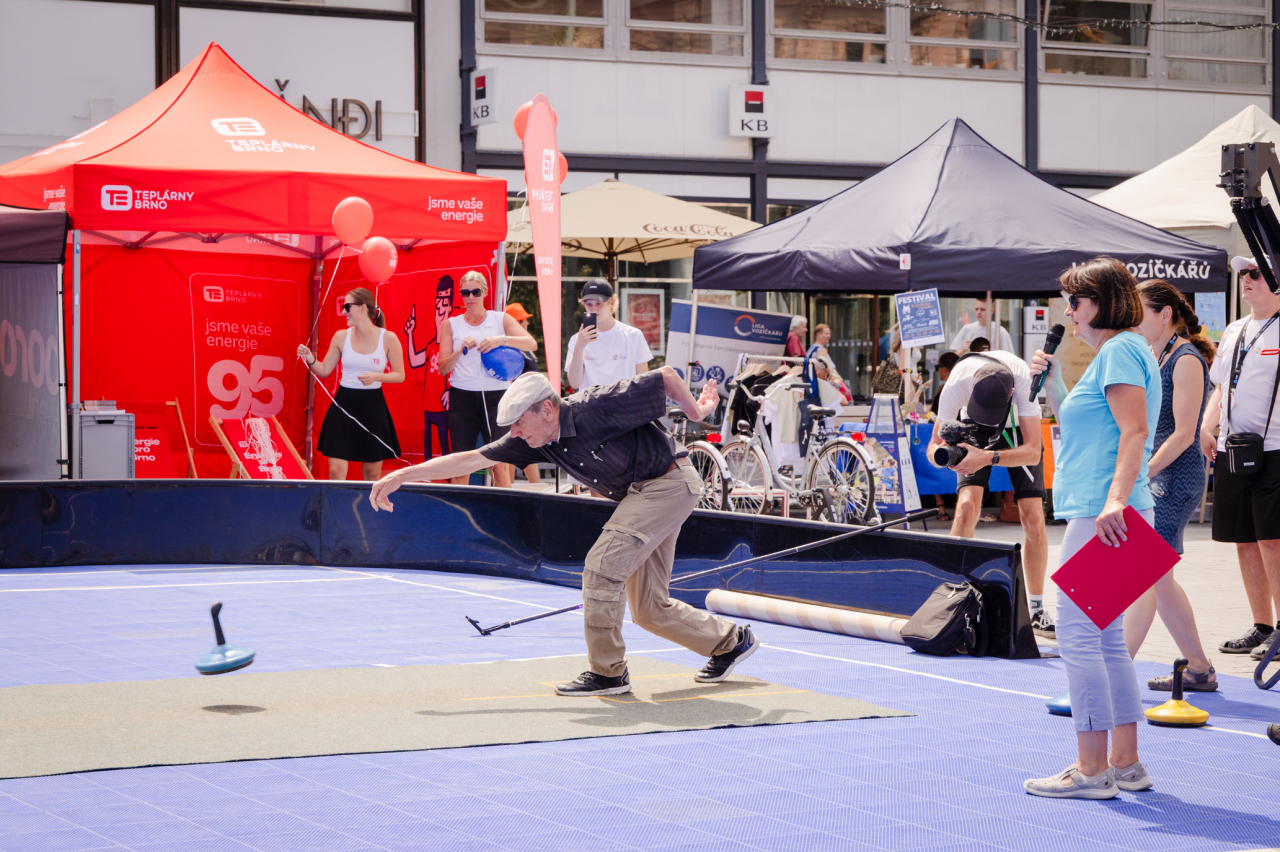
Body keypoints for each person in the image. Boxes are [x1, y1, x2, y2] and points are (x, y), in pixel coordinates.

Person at [369, 369, 759, 696]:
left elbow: (668, 377)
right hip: (642, 495)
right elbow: (472, 458)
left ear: (547, 408)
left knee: (601, 567)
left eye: (520, 422)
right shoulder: (534, 440)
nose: (515, 432)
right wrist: (403, 475)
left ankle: (608, 673)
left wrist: (699, 411)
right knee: (648, 608)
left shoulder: (597, 405)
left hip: (669, 483)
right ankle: (730, 641)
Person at [1026, 256, 1160, 799]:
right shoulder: (1119, 352)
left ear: (1100, 303)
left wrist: (1115, 501)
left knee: (1080, 637)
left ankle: (1090, 769)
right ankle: (1124, 764)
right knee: (1103, 640)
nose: (1068, 312)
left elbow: (1135, 431)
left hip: (1108, 512)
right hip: (1115, 510)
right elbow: (1090, 427)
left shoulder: (1121, 350)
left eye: (1075, 302)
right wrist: (1055, 383)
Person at [1124, 279, 1216, 691]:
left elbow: (1183, 434)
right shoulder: (1156, 355)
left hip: (1173, 478)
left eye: (1138, 310)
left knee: (1142, 574)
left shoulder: (1185, 359)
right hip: (1158, 475)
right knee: (1157, 579)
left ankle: (1113, 671)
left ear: (1164, 314)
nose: (1131, 319)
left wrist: (1140, 472)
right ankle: (1198, 667)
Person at [926, 349, 1052, 636]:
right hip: (972, 431)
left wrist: (988, 458)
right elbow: (932, 447)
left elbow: (1033, 452)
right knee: (966, 507)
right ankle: (952, 602)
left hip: (1017, 429)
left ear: (1011, 392)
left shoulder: (1023, 379)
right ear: (971, 387)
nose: (989, 419)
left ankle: (1035, 609)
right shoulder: (956, 383)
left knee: (1034, 517)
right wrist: (945, 458)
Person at [1200, 255, 1280, 663]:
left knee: (1272, 540)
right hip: (1234, 447)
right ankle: (1262, 625)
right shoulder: (1234, 329)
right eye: (1243, 273)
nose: (1245, 279)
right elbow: (1220, 385)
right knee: (1244, 539)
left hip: (1276, 447)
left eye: (1255, 273)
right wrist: (1207, 425)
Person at [438, 270, 537, 488]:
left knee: (499, 464)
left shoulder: (499, 319)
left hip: (497, 396)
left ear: (484, 292)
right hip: (462, 397)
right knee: (460, 464)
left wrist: (501, 340)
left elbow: (531, 344)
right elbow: (442, 368)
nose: (470, 297)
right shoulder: (451, 324)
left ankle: (504, 508)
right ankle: (459, 509)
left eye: (475, 292)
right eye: (465, 293)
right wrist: (460, 350)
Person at [299, 287, 405, 481]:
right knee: (335, 472)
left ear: (363, 308)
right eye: (343, 306)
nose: (343, 311)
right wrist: (309, 358)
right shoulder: (341, 336)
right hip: (344, 405)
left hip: (373, 407)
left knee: (372, 474)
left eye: (347, 307)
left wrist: (376, 376)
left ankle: (369, 503)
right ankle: (336, 502)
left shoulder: (388, 338)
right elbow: (324, 370)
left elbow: (400, 375)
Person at [565, 280, 653, 390]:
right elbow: (574, 383)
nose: (594, 308)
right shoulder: (577, 340)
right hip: (590, 401)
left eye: (599, 303)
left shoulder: (633, 336)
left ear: (612, 302)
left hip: (625, 401)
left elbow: (643, 382)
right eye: (589, 304)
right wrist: (579, 348)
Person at [405, 274, 455, 461]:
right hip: (427, 405)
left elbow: (459, 370)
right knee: (427, 445)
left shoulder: (452, 346)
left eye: (445, 303)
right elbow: (414, 361)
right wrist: (410, 334)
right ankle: (427, 472)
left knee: (444, 445)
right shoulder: (432, 346)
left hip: (442, 408)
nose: (440, 309)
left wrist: (450, 390)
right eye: (438, 303)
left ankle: (448, 474)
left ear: (450, 308)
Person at [506, 302, 542, 485]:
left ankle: (519, 486)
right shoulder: (512, 351)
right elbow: (510, 380)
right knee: (518, 446)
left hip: (526, 404)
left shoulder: (522, 349)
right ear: (517, 323)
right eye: (523, 320)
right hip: (520, 405)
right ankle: (512, 486)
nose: (527, 323)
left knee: (523, 446)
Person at [930, 351, 959, 416]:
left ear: (944, 370)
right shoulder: (961, 390)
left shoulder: (943, 389)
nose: (938, 371)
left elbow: (931, 413)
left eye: (937, 367)